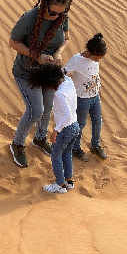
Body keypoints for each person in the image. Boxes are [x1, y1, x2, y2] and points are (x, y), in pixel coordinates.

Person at [9, 0, 75, 167]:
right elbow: (13, 42)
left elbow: (66, 39)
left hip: (49, 72)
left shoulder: (62, 17)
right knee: (35, 110)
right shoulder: (29, 19)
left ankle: (39, 138)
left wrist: (58, 53)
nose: (57, 16)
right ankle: (17, 143)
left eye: (61, 13)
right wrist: (36, 55)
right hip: (27, 72)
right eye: (53, 13)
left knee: (48, 107)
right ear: (45, 4)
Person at [28, 63, 79, 193]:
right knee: (67, 154)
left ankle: (60, 185)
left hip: (65, 129)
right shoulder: (68, 81)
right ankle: (69, 181)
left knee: (56, 157)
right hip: (75, 126)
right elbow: (62, 72)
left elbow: (67, 114)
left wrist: (56, 130)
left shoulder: (60, 94)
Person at [65, 33, 107, 161]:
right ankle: (75, 148)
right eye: (96, 58)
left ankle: (95, 146)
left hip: (95, 97)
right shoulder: (77, 60)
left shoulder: (94, 60)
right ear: (88, 52)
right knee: (81, 124)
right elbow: (64, 72)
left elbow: (95, 75)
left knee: (97, 122)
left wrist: (98, 88)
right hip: (82, 98)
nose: (97, 61)